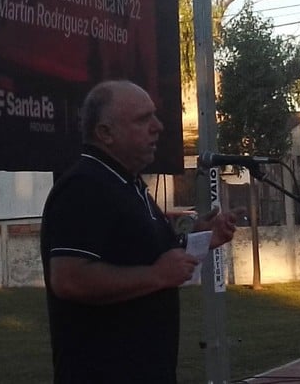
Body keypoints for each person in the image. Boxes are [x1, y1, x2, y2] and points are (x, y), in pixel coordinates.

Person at [40, 79, 237, 384]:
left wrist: (202, 236)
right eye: (143, 119)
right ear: (105, 132)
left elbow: (147, 253)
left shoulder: (127, 184)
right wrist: (156, 276)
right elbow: (69, 278)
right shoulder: (84, 186)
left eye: (154, 117)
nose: (157, 127)